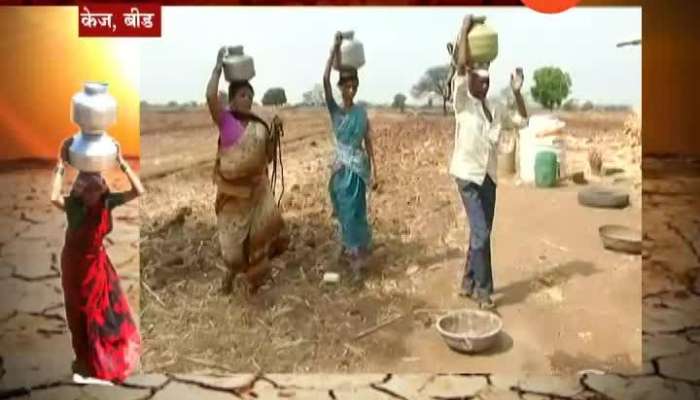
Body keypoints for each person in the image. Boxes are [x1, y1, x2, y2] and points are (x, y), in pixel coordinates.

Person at [449, 15, 529, 310]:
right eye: (476, 80)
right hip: (467, 176)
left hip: (489, 178)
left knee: (479, 233)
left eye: (485, 82)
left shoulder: (495, 107)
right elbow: (459, 65)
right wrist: (465, 29)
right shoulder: (462, 101)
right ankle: (484, 292)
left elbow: (523, 120)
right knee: (481, 233)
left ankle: (468, 282)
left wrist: (518, 92)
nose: (481, 87)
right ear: (469, 78)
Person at [50, 138, 143, 383]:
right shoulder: (75, 208)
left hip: (97, 265)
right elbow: (53, 197)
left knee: (100, 312)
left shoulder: (106, 203)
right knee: (77, 313)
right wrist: (60, 164)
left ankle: (99, 358)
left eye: (95, 188)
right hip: (74, 265)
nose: (92, 193)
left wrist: (122, 163)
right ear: (80, 190)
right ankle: (82, 360)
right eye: (87, 189)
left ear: (101, 189)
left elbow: (138, 191)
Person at [205, 46, 288, 295]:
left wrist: (273, 135)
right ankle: (230, 273)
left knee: (260, 238)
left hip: (257, 194)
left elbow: (269, 159)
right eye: (242, 95)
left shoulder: (260, 125)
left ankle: (254, 283)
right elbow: (210, 96)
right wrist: (218, 67)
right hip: (232, 198)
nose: (247, 100)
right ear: (231, 100)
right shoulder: (226, 122)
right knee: (232, 252)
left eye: (249, 95)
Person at [322, 32, 377, 283]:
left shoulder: (361, 113)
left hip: (357, 170)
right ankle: (350, 247)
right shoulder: (335, 111)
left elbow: (368, 142)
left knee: (356, 212)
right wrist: (334, 48)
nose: (350, 90)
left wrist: (375, 171)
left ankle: (356, 259)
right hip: (340, 171)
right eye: (346, 86)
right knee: (344, 212)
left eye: (354, 85)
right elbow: (324, 79)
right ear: (340, 87)